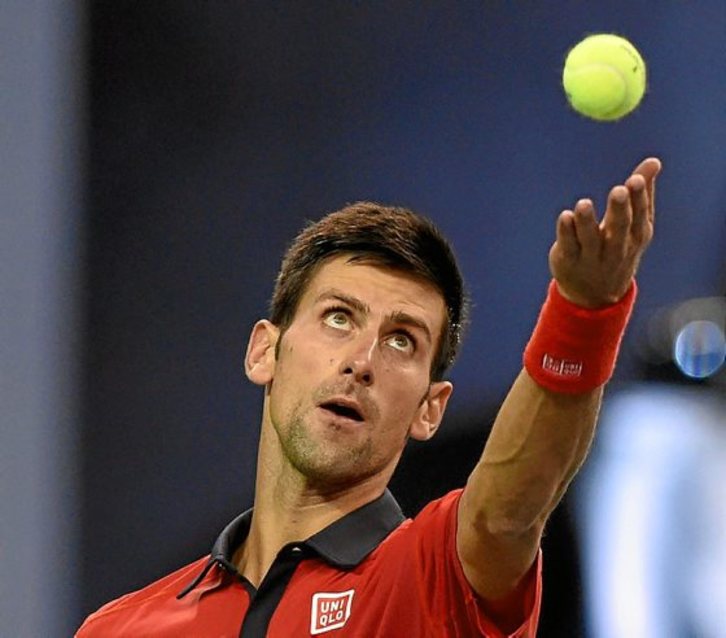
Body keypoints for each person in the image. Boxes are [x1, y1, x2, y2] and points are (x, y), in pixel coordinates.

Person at [75, 157, 662, 637]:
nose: (361, 361)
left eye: (402, 341)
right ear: (264, 352)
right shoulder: (119, 629)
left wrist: (583, 315)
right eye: (338, 318)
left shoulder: (437, 580)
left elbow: (506, 513)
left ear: (430, 409)